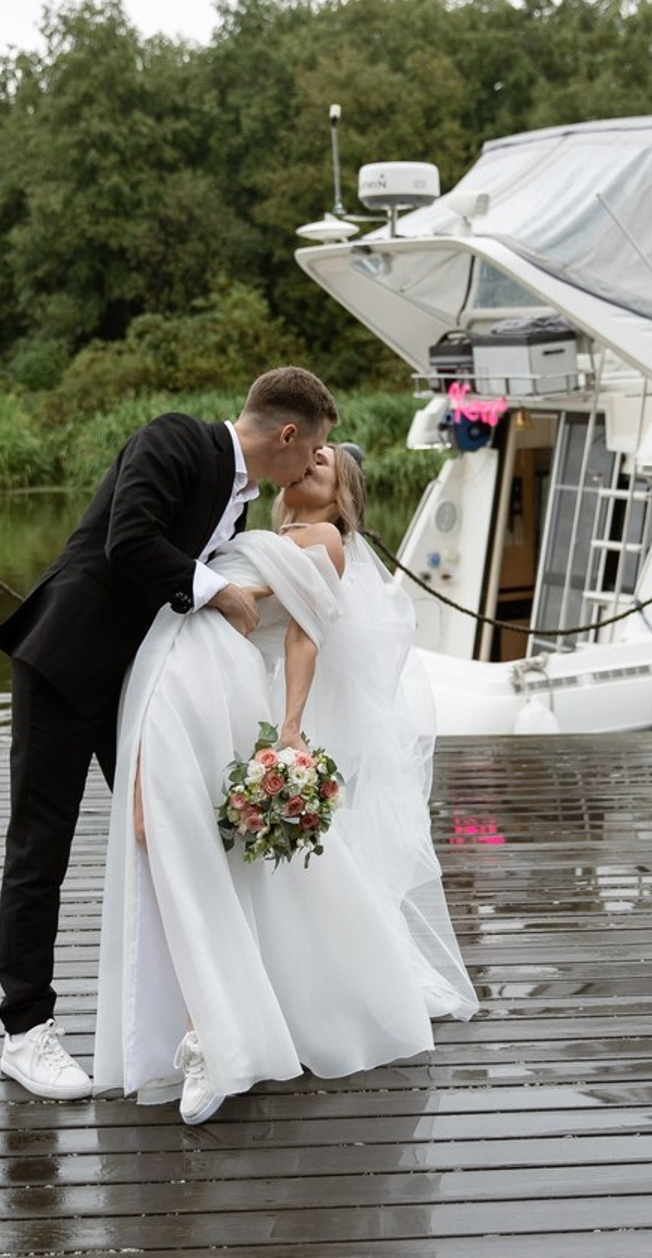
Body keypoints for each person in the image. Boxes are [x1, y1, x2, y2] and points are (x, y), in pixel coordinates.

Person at [94, 443, 478, 1124]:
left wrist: (292, 728)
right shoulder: (256, 530)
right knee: (182, 845)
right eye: (308, 457)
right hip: (191, 678)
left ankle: (214, 1031)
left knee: (191, 847)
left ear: (341, 496)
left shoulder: (325, 538)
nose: (309, 467)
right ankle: (218, 1014)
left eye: (325, 466)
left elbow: (302, 636)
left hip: (218, 682)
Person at [0, 366, 339, 1100]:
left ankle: (194, 1017)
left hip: (131, 688)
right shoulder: (177, 439)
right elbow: (129, 540)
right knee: (39, 846)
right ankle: (26, 1033)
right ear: (286, 434)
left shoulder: (237, 506)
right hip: (63, 663)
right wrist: (218, 592)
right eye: (313, 452)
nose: (312, 466)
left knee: (167, 832)